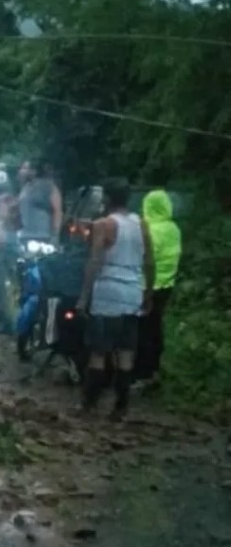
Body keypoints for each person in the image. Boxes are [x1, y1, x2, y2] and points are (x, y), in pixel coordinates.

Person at [78, 177, 154, 417]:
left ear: (107, 198)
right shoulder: (140, 224)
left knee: (99, 352)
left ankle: (89, 404)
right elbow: (150, 261)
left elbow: (95, 260)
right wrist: (148, 292)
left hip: (108, 293)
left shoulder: (103, 224)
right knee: (125, 353)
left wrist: (84, 296)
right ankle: (121, 406)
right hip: (132, 293)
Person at [136, 189, 181, 384]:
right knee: (156, 327)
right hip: (167, 284)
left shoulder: (150, 230)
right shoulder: (173, 228)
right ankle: (154, 369)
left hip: (147, 285)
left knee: (142, 330)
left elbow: (145, 259)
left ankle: (142, 372)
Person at [17, 159, 62, 244]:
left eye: (25, 168)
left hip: (42, 236)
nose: (21, 171)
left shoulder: (48, 186)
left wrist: (55, 234)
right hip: (25, 235)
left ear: (33, 171)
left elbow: (57, 211)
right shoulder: (25, 187)